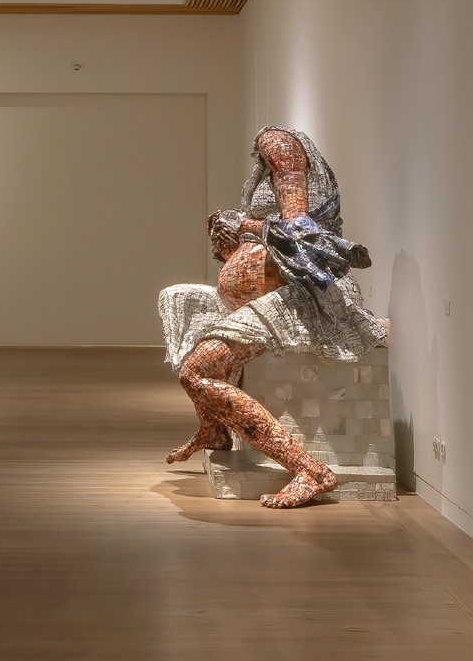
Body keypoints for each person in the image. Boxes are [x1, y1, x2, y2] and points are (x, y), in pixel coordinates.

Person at [159, 128, 389, 508]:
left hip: (302, 297)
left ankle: (311, 471)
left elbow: (299, 233)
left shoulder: (281, 148)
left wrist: (241, 224)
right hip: (268, 294)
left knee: (197, 372)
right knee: (177, 301)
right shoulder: (273, 159)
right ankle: (214, 430)